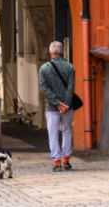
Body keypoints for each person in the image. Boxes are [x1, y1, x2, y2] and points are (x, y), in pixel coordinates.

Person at [38, 40, 75, 171]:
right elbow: (71, 88)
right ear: (62, 52)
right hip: (67, 107)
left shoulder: (44, 69)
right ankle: (66, 160)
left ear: (50, 52)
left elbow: (44, 89)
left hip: (52, 108)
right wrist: (65, 104)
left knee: (53, 134)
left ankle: (57, 162)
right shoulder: (70, 67)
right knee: (67, 131)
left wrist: (56, 103)